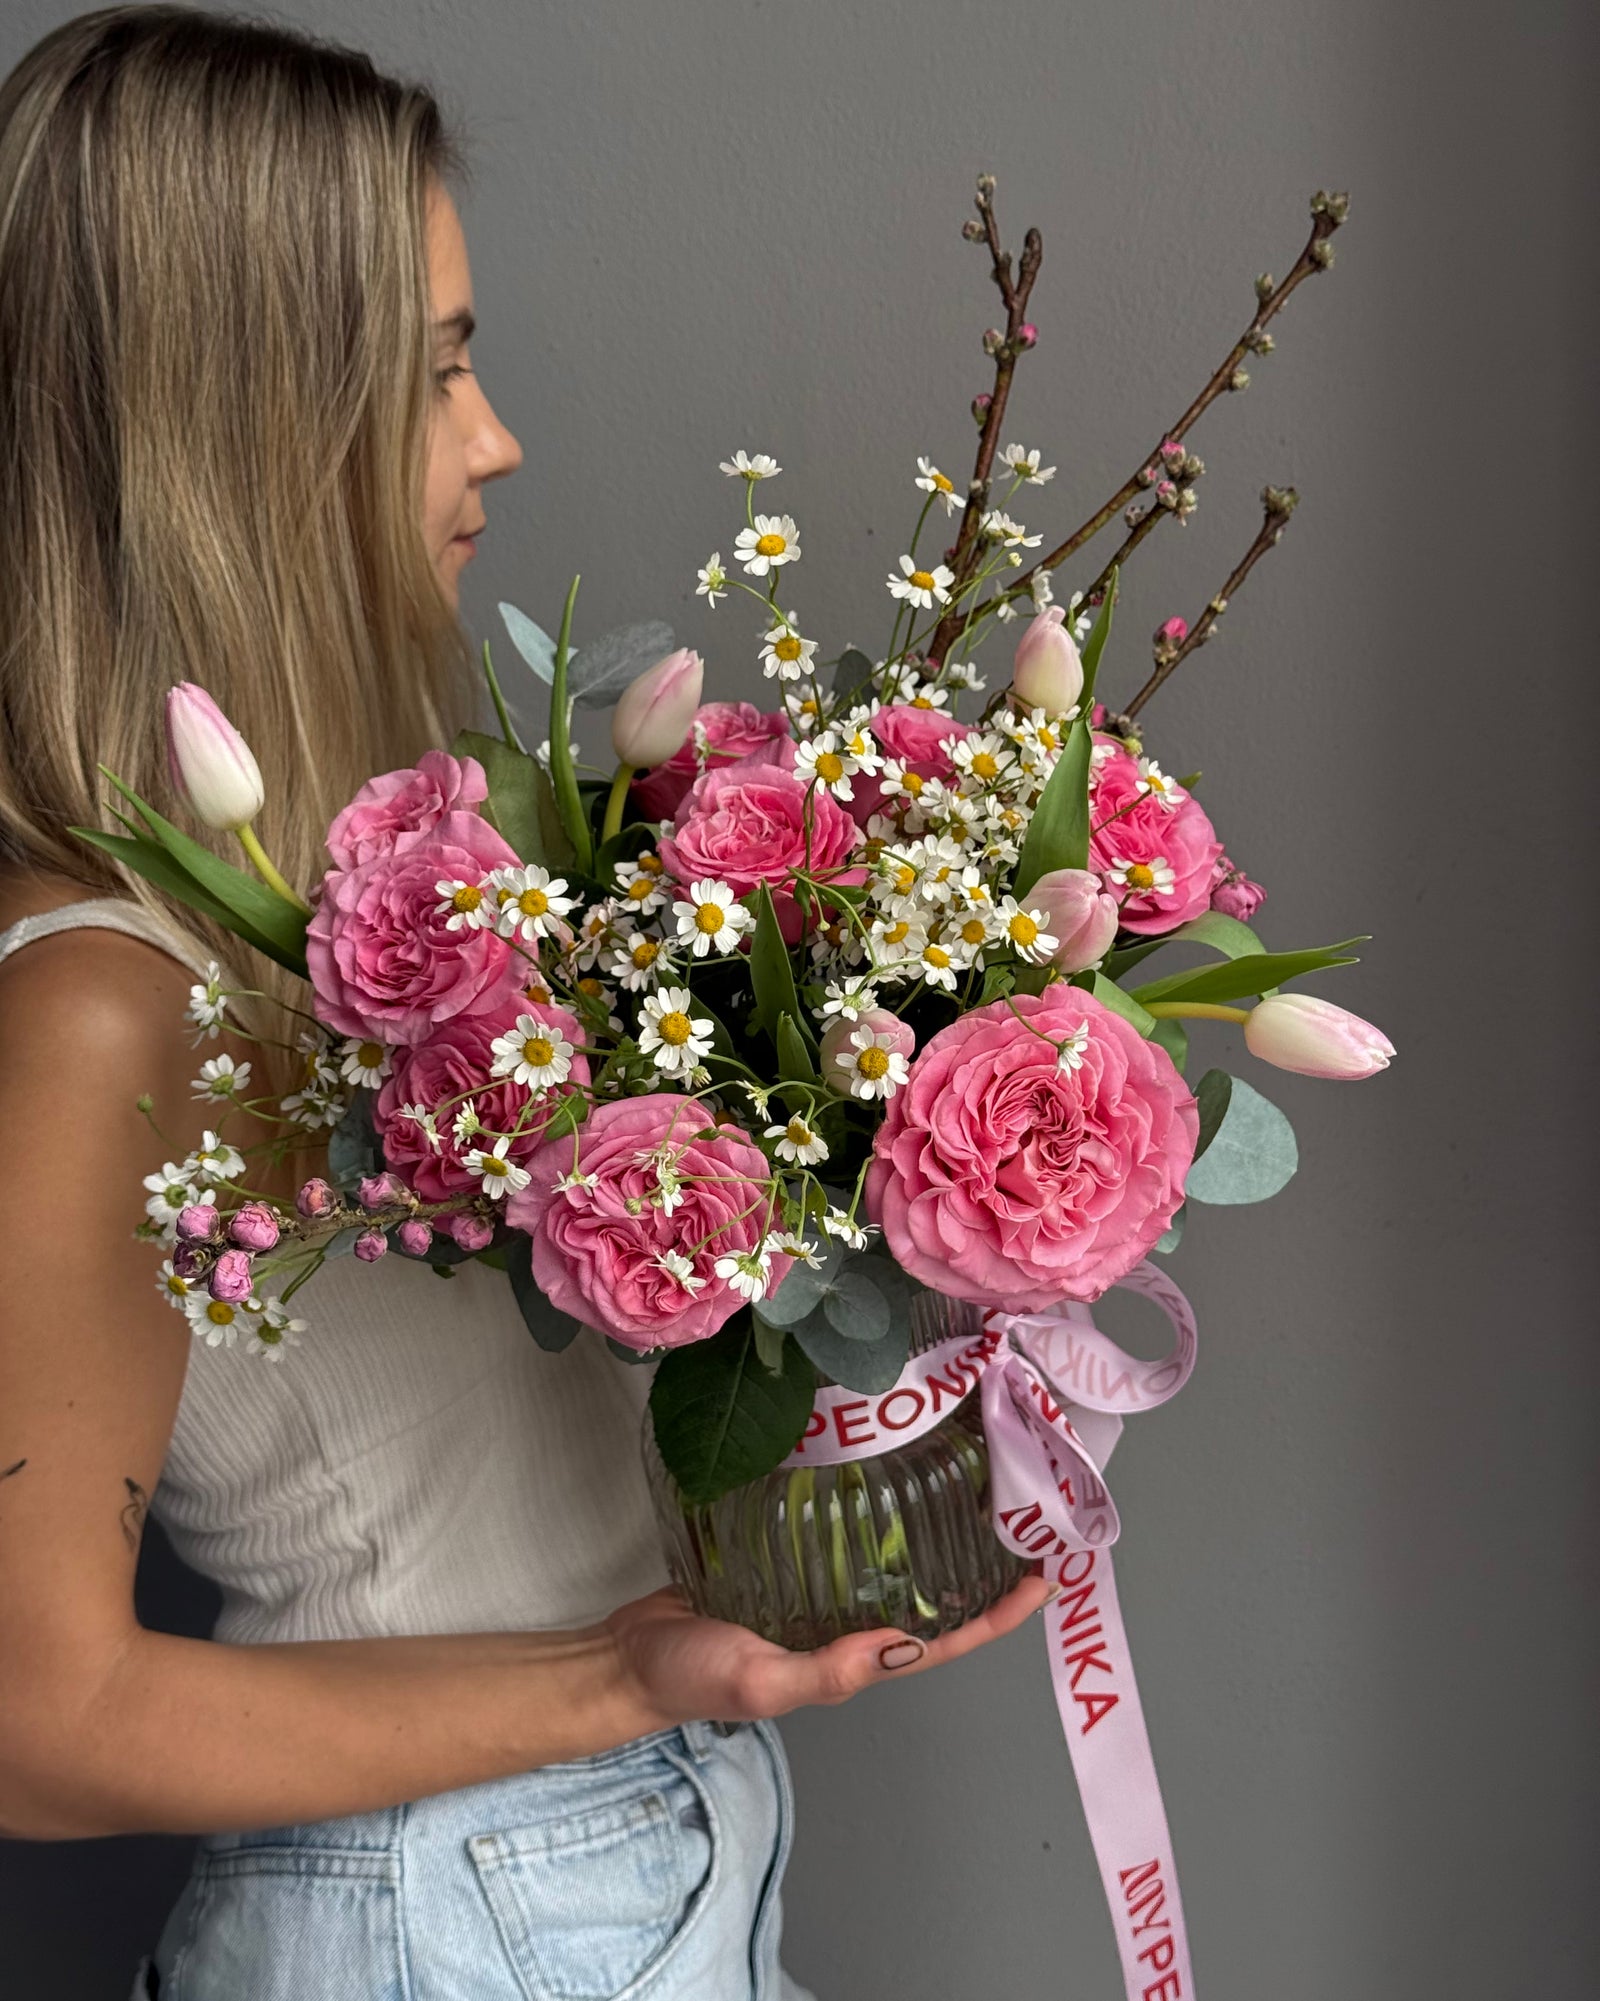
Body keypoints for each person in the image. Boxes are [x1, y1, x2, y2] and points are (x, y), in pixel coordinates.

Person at [0, 9, 1053, 1997]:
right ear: (243, 417)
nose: (492, 439)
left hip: (629, 1870)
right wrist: (608, 1675)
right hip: (428, 1914)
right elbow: (35, 1712)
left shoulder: (379, 894)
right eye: (431, 372)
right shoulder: (98, 1003)